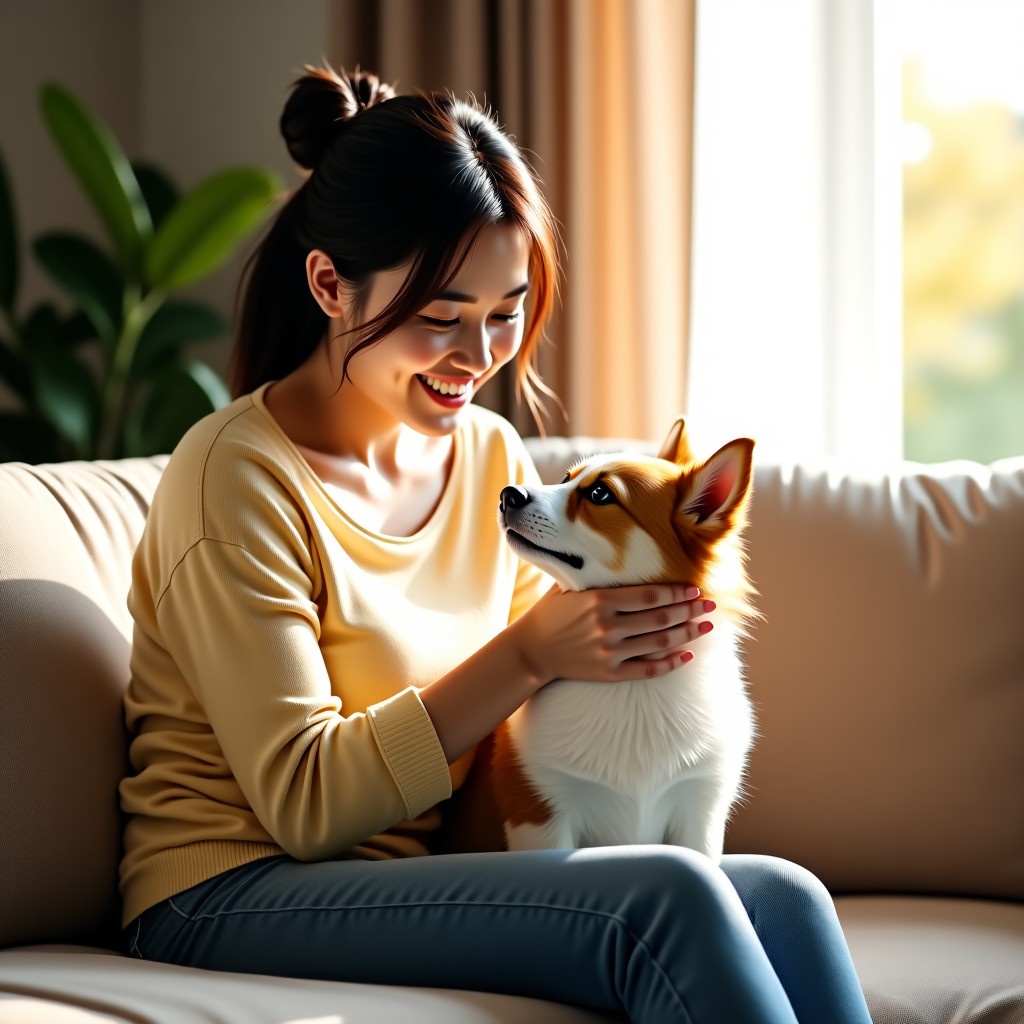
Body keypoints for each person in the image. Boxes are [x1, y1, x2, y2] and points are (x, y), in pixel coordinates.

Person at [119, 64, 873, 1024]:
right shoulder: (235, 477)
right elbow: (303, 808)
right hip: (228, 892)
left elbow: (537, 717)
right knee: (669, 904)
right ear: (329, 286)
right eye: (440, 318)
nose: (477, 358)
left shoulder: (486, 456)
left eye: (505, 313)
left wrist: (645, 637)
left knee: (786, 897)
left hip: (427, 870)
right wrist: (528, 651)